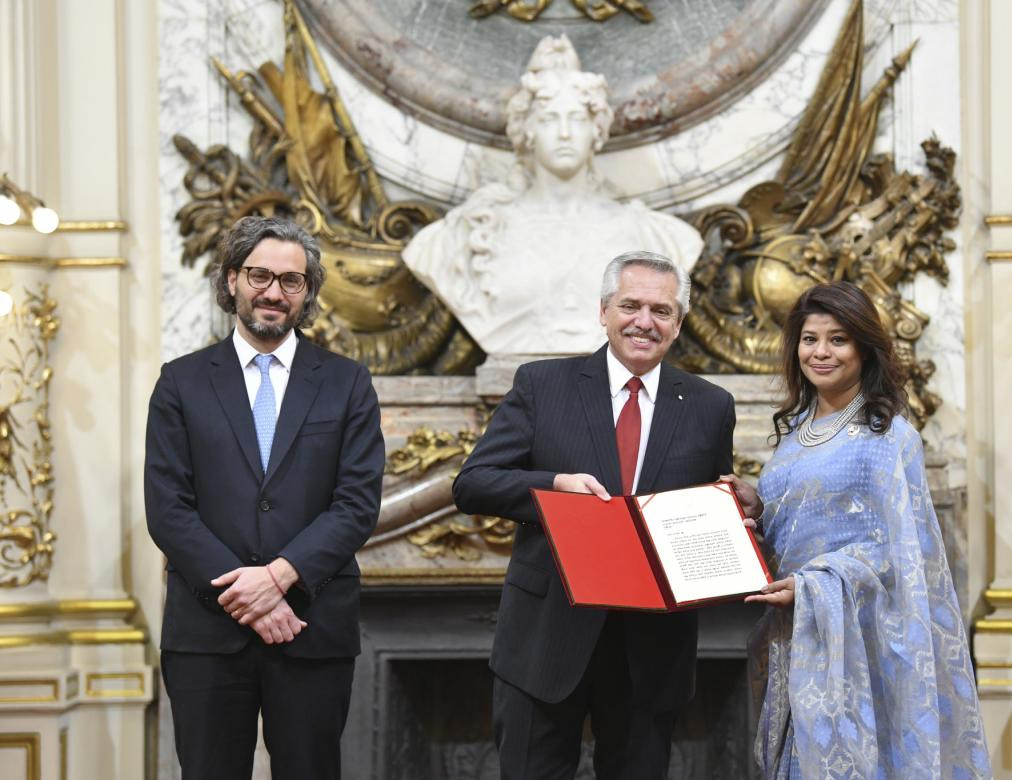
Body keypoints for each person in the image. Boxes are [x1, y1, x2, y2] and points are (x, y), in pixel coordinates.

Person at [453, 250, 735, 779]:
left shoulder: (710, 405)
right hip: (546, 637)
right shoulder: (543, 385)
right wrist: (555, 485)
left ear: (679, 323)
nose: (644, 322)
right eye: (631, 305)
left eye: (662, 310)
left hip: (652, 649)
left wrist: (736, 510)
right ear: (603, 310)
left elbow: (711, 504)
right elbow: (473, 484)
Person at [144, 216, 385, 780]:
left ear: (307, 293)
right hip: (207, 633)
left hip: (311, 626)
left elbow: (356, 503)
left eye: (291, 281)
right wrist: (247, 593)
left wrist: (278, 578)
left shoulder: (347, 382)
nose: (273, 292)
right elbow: (168, 507)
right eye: (259, 275)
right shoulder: (180, 382)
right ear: (231, 280)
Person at [721, 282, 991, 779]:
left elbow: (897, 554)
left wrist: (812, 586)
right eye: (810, 339)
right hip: (796, 635)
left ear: (865, 348)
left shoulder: (887, 436)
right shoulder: (798, 430)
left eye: (838, 339)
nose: (820, 352)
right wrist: (760, 504)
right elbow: (808, 522)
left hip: (858, 648)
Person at [403, 35, 702, 356]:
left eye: (576, 119)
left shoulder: (657, 235)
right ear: (527, 132)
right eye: (548, 119)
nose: (564, 133)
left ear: (597, 130)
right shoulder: (465, 233)